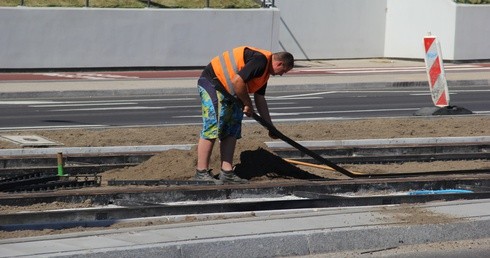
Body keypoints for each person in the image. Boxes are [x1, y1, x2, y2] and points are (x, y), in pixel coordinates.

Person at [194, 46, 294, 184]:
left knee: (232, 128)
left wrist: (270, 126)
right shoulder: (261, 61)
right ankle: (201, 172)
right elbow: (237, 81)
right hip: (212, 82)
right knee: (212, 126)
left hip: (230, 91)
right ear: (279, 64)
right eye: (283, 71)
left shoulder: (264, 74)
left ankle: (227, 172)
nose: (281, 74)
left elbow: (260, 99)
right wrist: (247, 103)